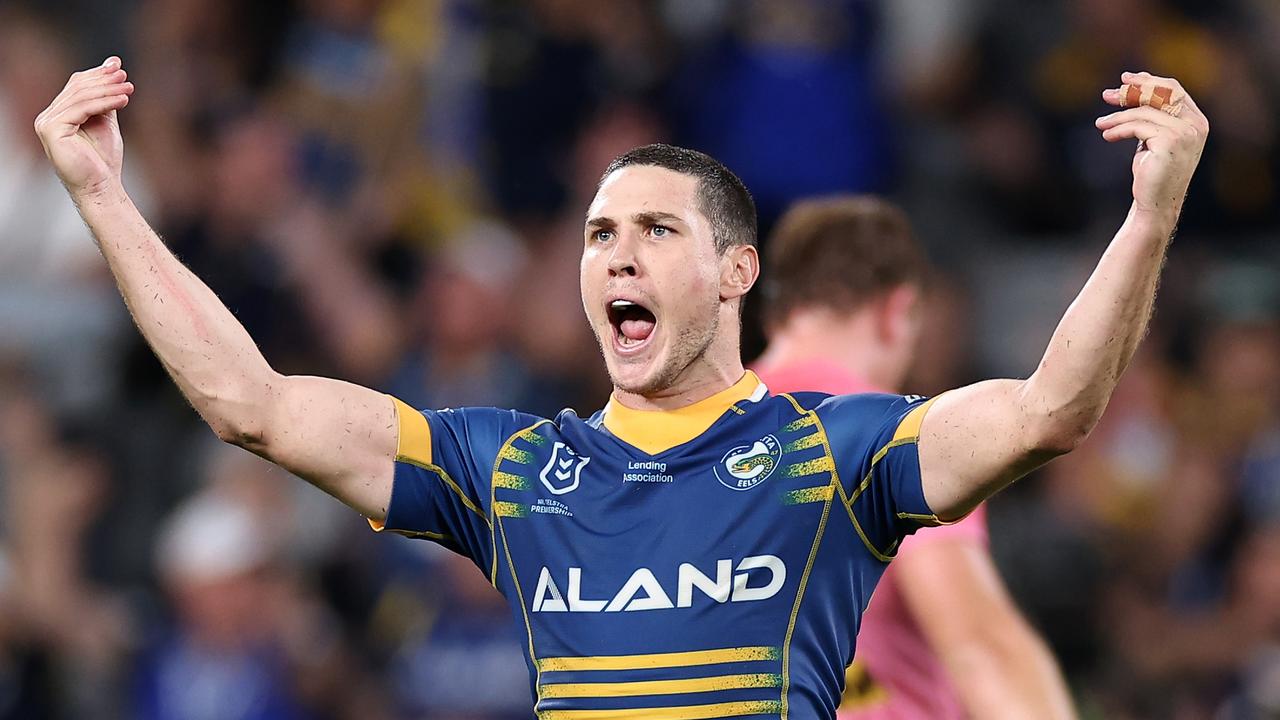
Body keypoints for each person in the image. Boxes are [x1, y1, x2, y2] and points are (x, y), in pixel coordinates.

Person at [34, 56, 1208, 719]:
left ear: (737, 271)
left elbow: (1052, 408)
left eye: (654, 229)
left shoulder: (835, 453)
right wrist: (101, 195)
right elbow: (254, 402)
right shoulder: (511, 468)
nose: (617, 258)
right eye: (599, 235)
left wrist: (1149, 215)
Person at [755, 196, 1076, 719]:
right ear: (898, 310)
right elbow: (980, 649)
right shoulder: (897, 438)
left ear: (776, 310)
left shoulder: (688, 437)